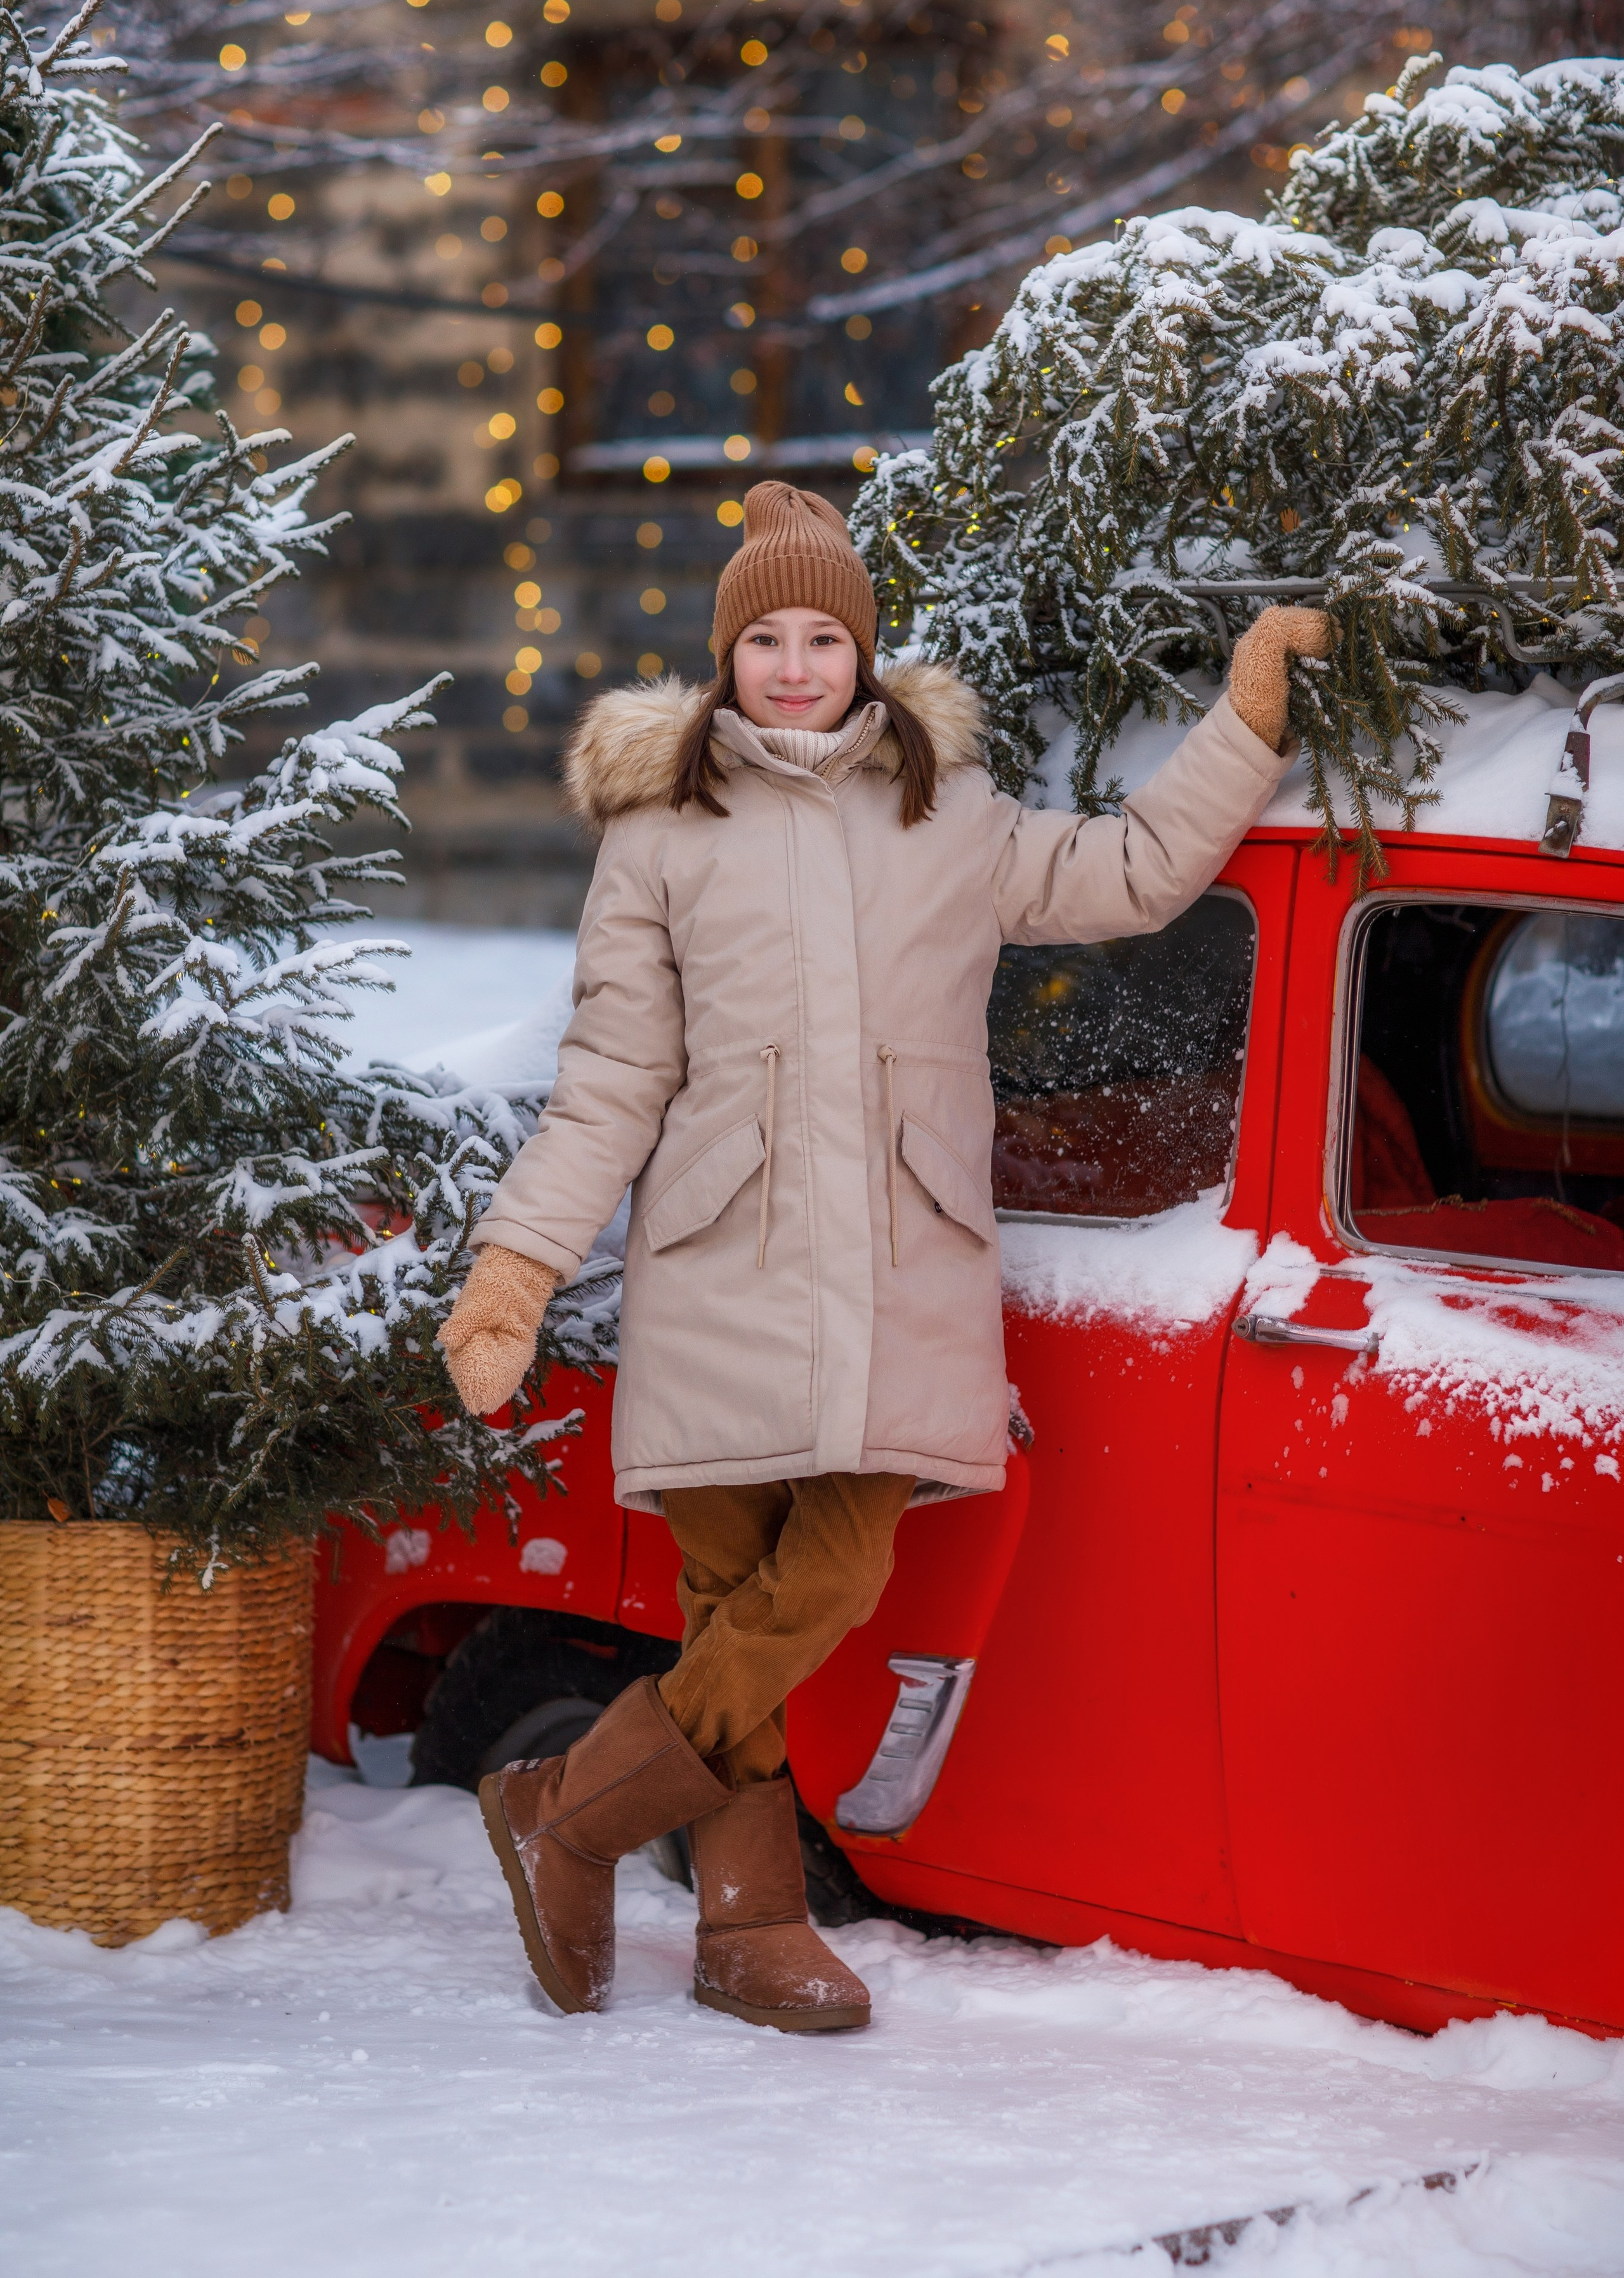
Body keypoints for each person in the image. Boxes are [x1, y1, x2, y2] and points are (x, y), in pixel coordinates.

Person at [437, 480, 1318, 2033]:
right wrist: (516, 1270)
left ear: (862, 653)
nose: (793, 667)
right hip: (717, 1271)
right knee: (732, 1612)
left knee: (829, 1577)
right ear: (726, 659)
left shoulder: (947, 813)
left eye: (821, 639)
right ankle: (749, 1928)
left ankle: (563, 1814)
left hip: (897, 1272)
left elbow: (1131, 872)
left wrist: (1245, 716)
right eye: (763, 641)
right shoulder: (657, 836)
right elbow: (611, 1079)